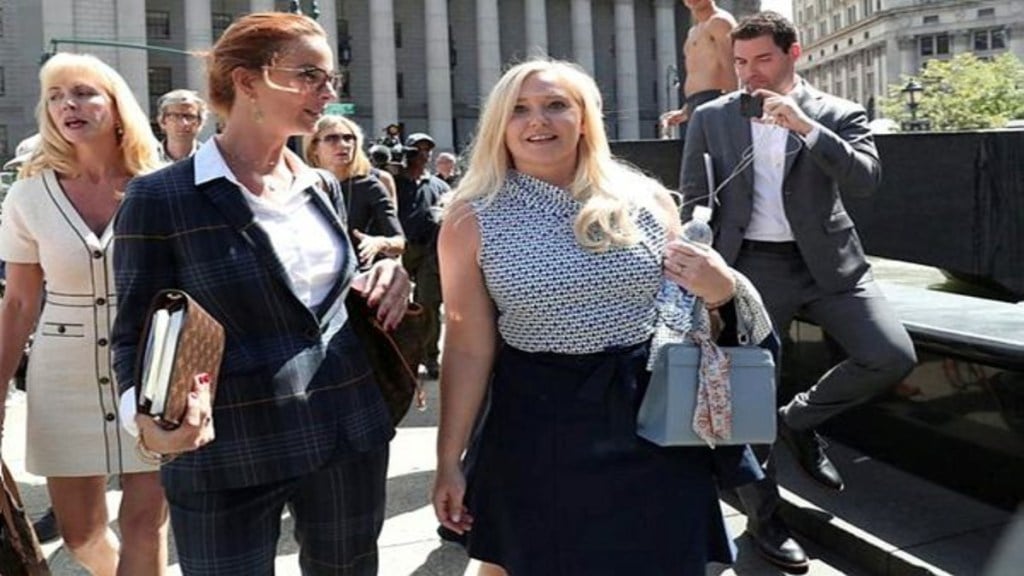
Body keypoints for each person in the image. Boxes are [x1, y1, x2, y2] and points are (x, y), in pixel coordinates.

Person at [109, 12, 410, 576]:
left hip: (347, 432)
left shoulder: (322, 184)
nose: (327, 93)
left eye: (332, 80)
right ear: (246, 81)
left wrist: (388, 277)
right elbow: (132, 330)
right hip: (226, 447)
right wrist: (144, 418)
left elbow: (322, 294)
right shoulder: (160, 197)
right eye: (309, 76)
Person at [431, 58, 755, 575]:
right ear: (500, 125)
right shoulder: (472, 215)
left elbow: (688, 316)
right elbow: (468, 346)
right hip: (537, 424)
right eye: (519, 110)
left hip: (653, 417)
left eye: (556, 105)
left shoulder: (645, 198)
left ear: (584, 117)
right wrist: (449, 458)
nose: (537, 121)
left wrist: (721, 290)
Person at [679, 11, 917, 572]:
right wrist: (698, 248)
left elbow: (866, 180)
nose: (750, 73)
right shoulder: (712, 117)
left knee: (890, 355)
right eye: (740, 62)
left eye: (762, 59)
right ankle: (768, 524)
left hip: (832, 265)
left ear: (794, 53)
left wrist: (805, 128)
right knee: (748, 403)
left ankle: (800, 418)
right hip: (749, 270)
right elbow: (693, 194)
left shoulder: (837, 113)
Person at [0, 52, 168, 575]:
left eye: (83, 93)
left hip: (150, 367)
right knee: (81, 535)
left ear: (116, 106)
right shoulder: (28, 194)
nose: (68, 105)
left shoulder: (162, 185)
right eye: (55, 97)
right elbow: (20, 302)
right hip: (61, 373)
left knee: (146, 524)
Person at [305, 115, 405, 265]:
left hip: (363, 275)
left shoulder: (370, 185)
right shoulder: (302, 185)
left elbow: (399, 242)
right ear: (314, 148)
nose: (343, 144)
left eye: (348, 138)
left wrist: (380, 243)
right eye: (332, 138)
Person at [395, 132, 449, 379]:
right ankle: (401, 356)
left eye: (427, 150)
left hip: (430, 251)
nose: (423, 154)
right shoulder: (394, 182)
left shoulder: (439, 186)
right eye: (417, 149)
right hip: (401, 249)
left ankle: (429, 357)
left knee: (429, 303)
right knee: (398, 304)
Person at [660, 0, 738, 136]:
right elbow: (697, 72)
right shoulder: (693, 31)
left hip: (717, 99)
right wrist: (685, 110)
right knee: (696, 155)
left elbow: (732, 66)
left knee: (711, 154)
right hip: (696, 102)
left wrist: (734, 106)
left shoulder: (719, 22)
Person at [155, 89, 207, 162]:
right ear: (162, 121)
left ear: (200, 122)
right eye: (175, 116)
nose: (183, 123)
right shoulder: (146, 159)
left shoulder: (212, 159)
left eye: (190, 117)